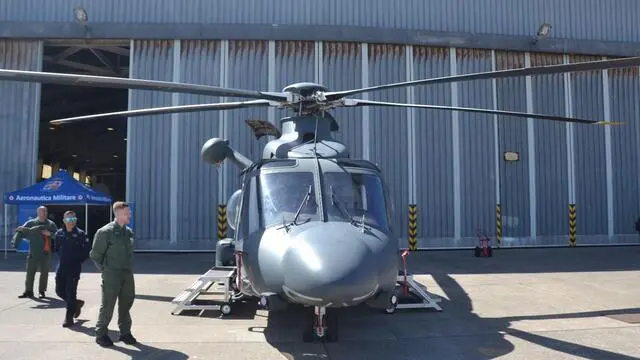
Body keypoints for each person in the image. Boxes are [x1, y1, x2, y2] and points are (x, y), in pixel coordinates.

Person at [90, 201, 136, 347]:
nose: (130, 215)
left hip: (127, 273)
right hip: (112, 274)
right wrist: (106, 271)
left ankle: (125, 332)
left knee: (126, 304)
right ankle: (101, 333)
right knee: (108, 304)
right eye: (127, 213)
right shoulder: (105, 232)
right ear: (118, 214)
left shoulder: (128, 231)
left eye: (129, 212)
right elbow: (95, 255)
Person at [54, 210, 91, 327]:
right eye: (69, 219)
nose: (71, 222)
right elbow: (57, 249)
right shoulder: (59, 233)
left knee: (70, 292)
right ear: (64, 221)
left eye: (73, 219)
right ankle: (76, 304)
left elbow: (86, 252)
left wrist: (75, 261)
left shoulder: (81, 234)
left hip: (74, 269)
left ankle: (68, 317)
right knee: (59, 291)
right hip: (61, 267)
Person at [14, 206, 58, 299]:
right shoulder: (31, 223)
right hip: (33, 252)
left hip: (46, 253)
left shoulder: (51, 224)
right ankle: (28, 291)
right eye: (42, 211)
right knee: (30, 272)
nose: (44, 213)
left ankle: (41, 291)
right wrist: (15, 242)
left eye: (45, 211)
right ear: (38, 212)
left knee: (44, 273)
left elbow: (58, 236)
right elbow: (20, 231)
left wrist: (50, 234)